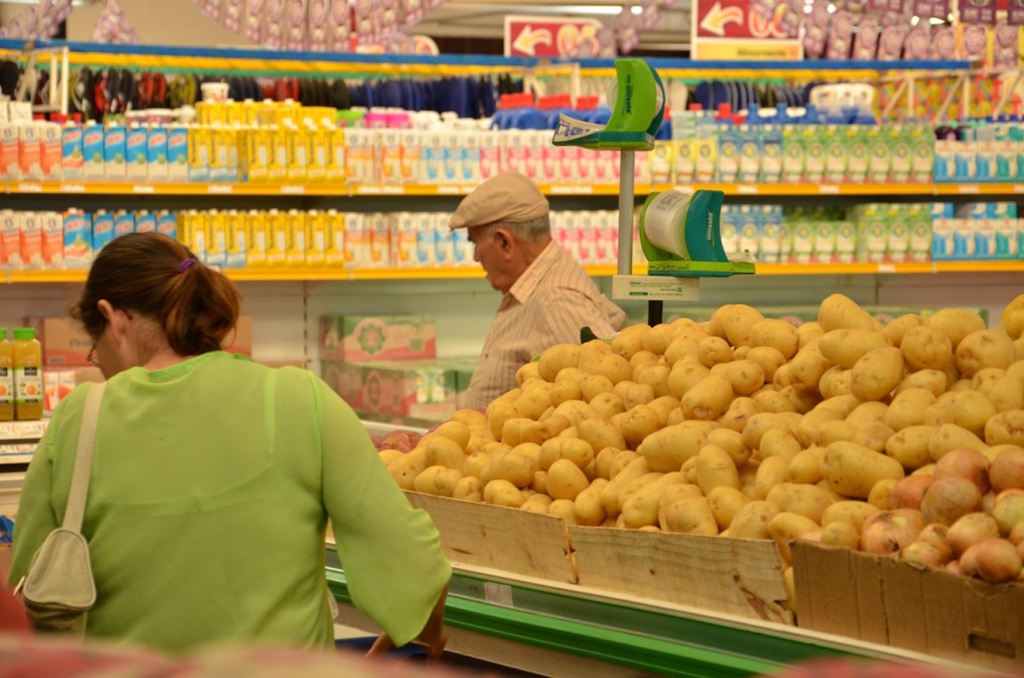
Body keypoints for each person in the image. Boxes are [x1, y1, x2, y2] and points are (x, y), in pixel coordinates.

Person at [8, 232, 451, 657]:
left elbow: (26, 597)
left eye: (94, 348)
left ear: (112, 318)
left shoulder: (79, 418)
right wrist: (420, 625)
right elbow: (406, 556)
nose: (99, 363)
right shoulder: (299, 398)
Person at [450, 171, 626, 408]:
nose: (474, 256)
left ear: (505, 242)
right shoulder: (531, 290)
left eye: (474, 242)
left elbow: (604, 397)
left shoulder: (557, 302)